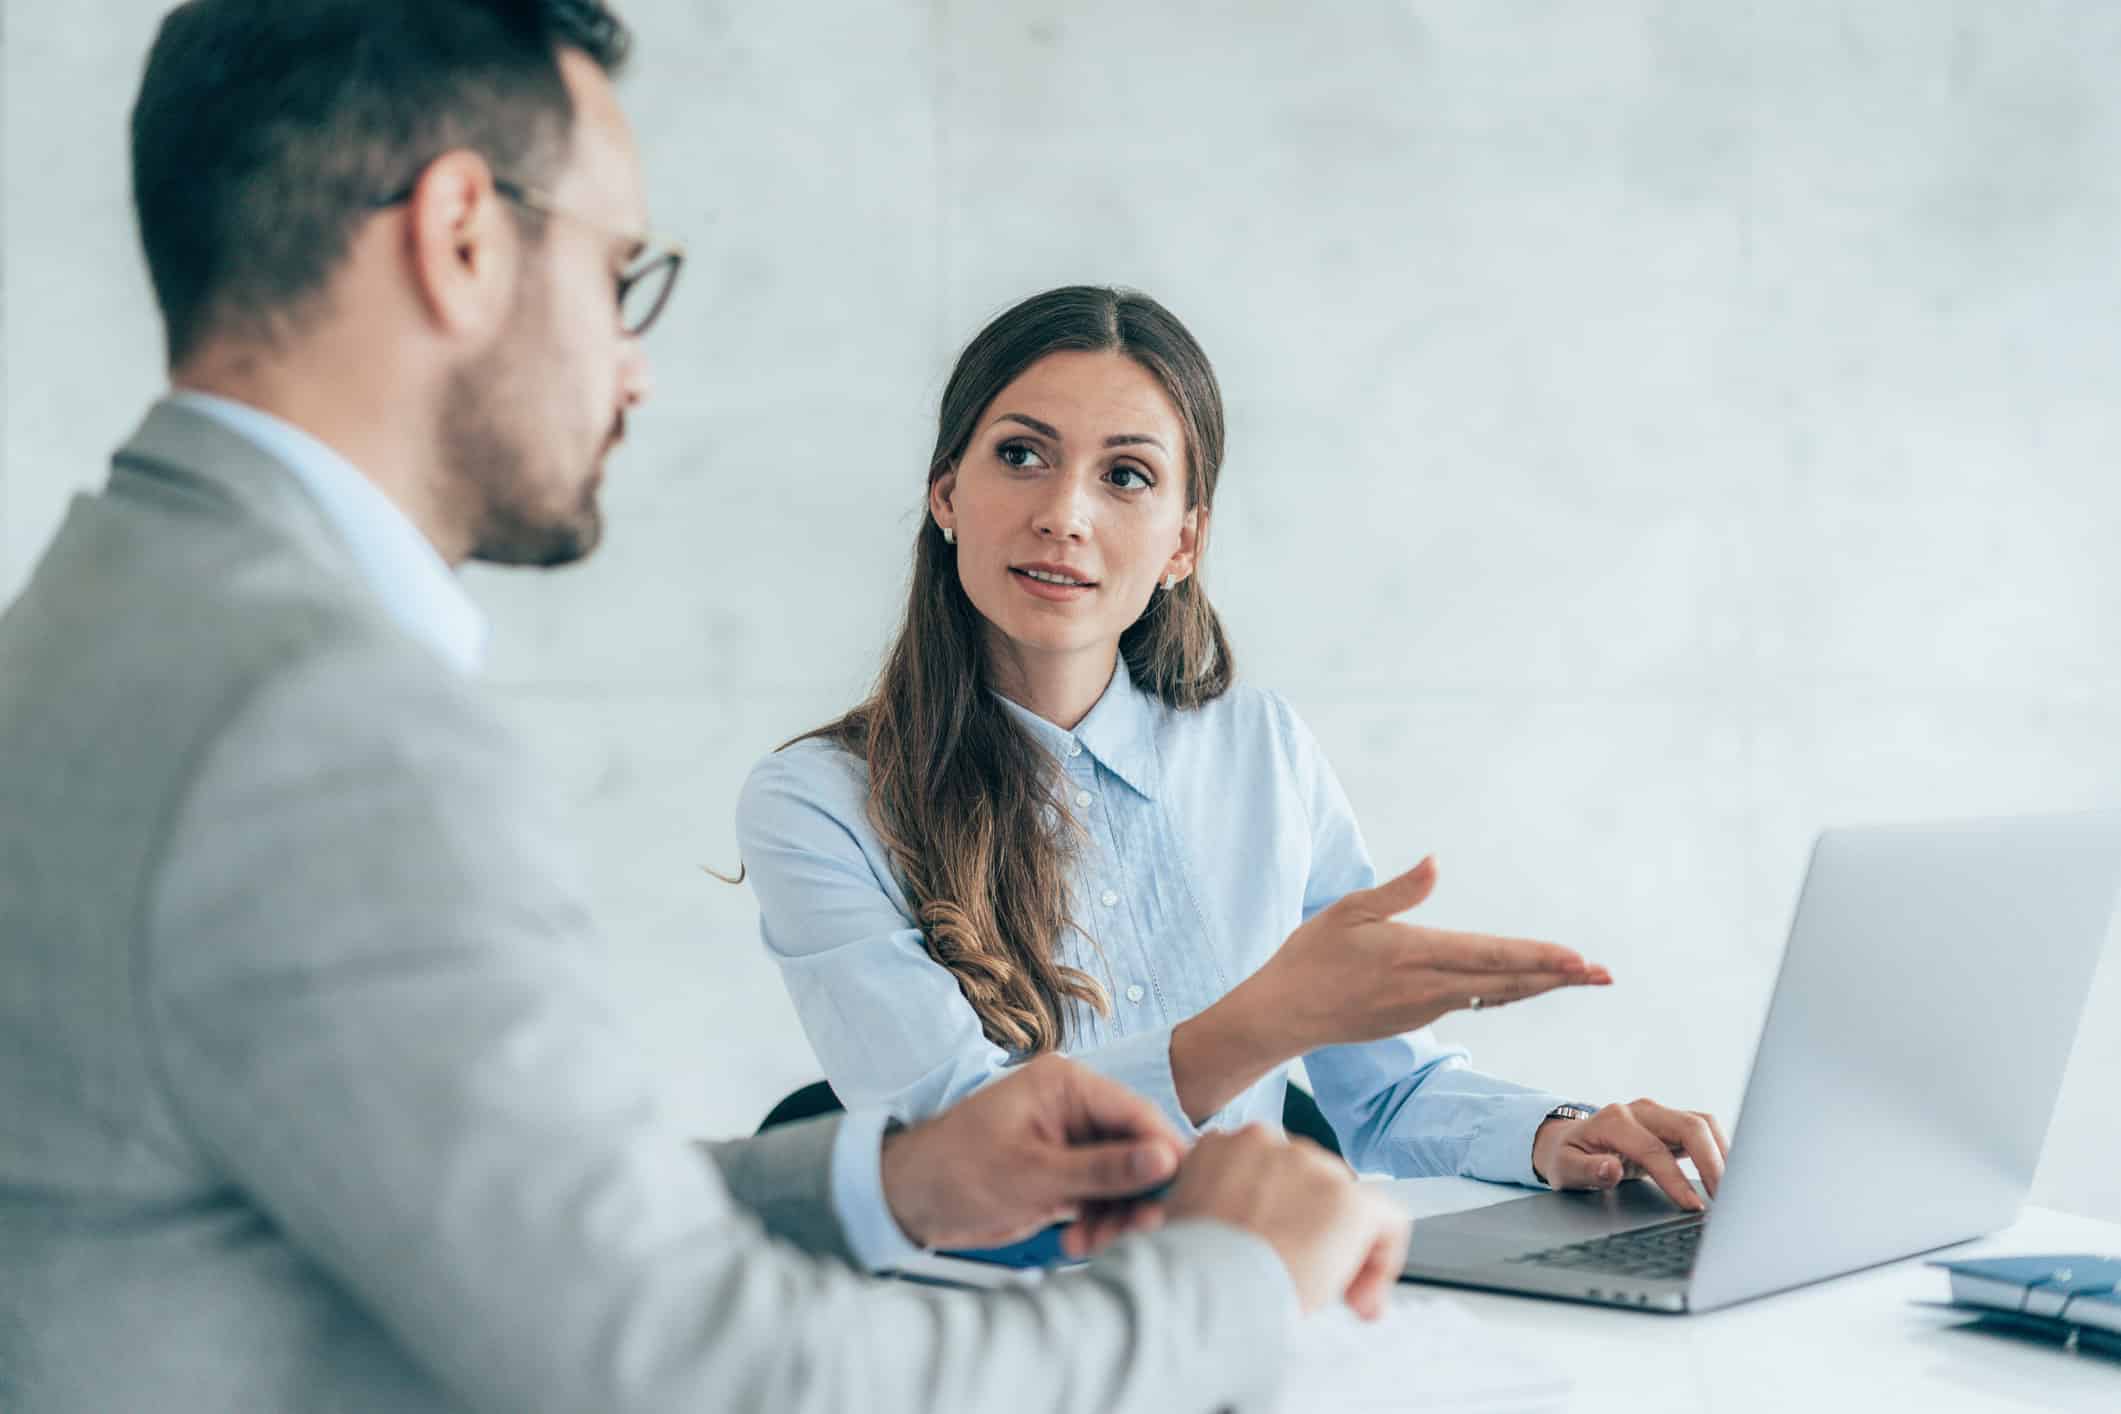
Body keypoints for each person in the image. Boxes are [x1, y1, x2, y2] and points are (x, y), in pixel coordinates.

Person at [0, 5, 1411, 1411]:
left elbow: (468, 1202)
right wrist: (1225, 1283)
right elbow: (700, 1370)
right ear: (460, 238)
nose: (635, 366)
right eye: (621, 275)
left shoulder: (103, 615)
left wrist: (890, 1176)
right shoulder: (322, 723)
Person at [738, 285, 1730, 1212]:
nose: (1065, 514)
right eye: (1022, 455)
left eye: (1127, 475)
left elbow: (1388, 1095)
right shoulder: (818, 802)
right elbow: (956, 1143)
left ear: (1184, 542)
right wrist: (1262, 1022)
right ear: (947, 494)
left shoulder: (1262, 751)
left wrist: (1561, 1136)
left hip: (1256, 1298)